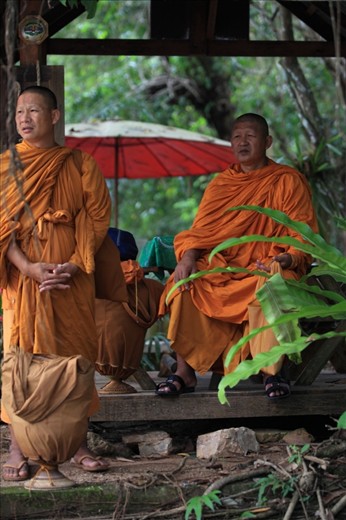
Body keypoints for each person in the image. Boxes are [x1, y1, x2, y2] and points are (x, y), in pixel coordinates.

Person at [156, 113, 318, 399]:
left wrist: (288, 259)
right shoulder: (221, 185)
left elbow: (302, 234)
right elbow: (200, 232)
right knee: (183, 284)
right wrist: (187, 258)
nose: (242, 142)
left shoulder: (287, 181)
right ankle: (184, 372)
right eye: (237, 137)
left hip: (268, 264)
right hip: (225, 268)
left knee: (274, 284)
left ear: (267, 141)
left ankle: (272, 372)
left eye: (250, 136)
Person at [0, 85, 111, 481]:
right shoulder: (6, 166)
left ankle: (76, 442)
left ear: (54, 116)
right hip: (24, 280)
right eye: (19, 112)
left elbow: (98, 218)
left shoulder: (81, 164)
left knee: (73, 356)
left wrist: (75, 265)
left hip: (71, 278)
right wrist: (29, 267)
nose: (25, 118)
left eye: (34, 110)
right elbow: (1, 229)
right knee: (22, 357)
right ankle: (19, 443)